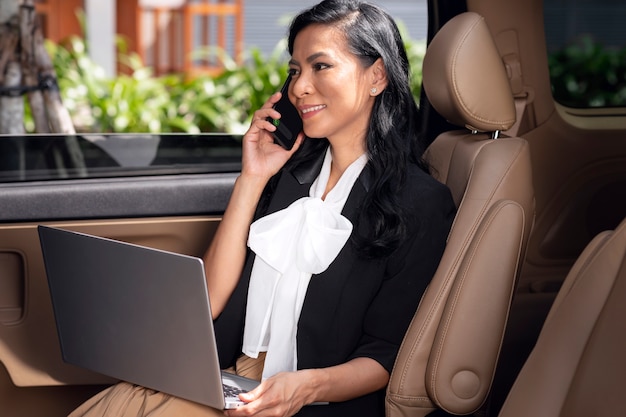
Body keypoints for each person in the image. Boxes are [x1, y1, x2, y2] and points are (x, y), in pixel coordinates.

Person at [68, 1, 455, 416]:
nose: (300, 87)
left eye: (320, 66)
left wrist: (305, 387)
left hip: (309, 399)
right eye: (294, 71)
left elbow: (388, 355)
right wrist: (251, 178)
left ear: (376, 75)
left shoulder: (419, 202)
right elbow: (211, 303)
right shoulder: (290, 175)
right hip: (229, 379)